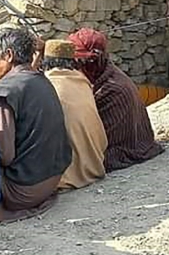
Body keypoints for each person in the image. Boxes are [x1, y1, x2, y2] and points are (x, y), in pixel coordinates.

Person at [0, 27, 72, 221]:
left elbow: (5, 156)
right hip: (52, 180)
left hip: (23, 190)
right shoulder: (40, 79)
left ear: (8, 55)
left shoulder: (5, 88)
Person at [68, 28, 163, 171]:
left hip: (122, 149)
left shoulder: (112, 89)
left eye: (77, 62)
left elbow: (96, 141)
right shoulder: (104, 74)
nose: (75, 67)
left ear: (91, 61)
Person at [41, 39, 108, 190]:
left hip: (69, 174)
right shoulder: (83, 82)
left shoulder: (47, 86)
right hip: (95, 166)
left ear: (45, 62)